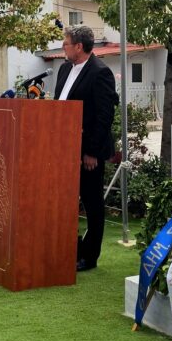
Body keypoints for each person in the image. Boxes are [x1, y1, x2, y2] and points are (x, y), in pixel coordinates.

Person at [54, 26, 118, 272]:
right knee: (65, 201)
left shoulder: (100, 72)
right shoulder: (64, 69)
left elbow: (104, 117)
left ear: (79, 47)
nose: (63, 47)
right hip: (63, 148)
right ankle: (69, 248)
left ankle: (89, 257)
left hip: (87, 152)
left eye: (66, 43)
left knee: (92, 204)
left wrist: (91, 152)